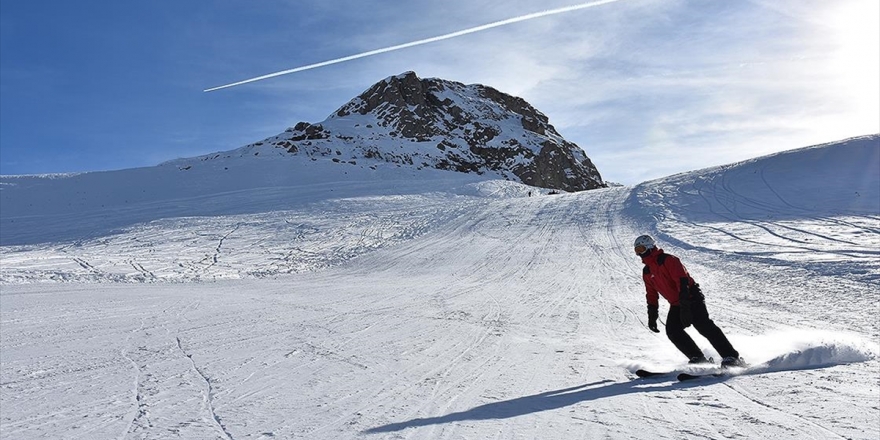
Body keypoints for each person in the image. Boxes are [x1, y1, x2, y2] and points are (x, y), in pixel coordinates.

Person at [634, 234, 746, 367]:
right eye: (636, 251)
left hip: (691, 297)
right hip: (676, 303)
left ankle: (731, 357)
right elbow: (651, 293)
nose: (639, 254)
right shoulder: (647, 271)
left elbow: (682, 281)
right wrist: (652, 314)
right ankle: (698, 359)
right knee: (673, 331)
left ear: (649, 247)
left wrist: (686, 306)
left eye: (641, 249)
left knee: (703, 326)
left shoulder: (668, 260)